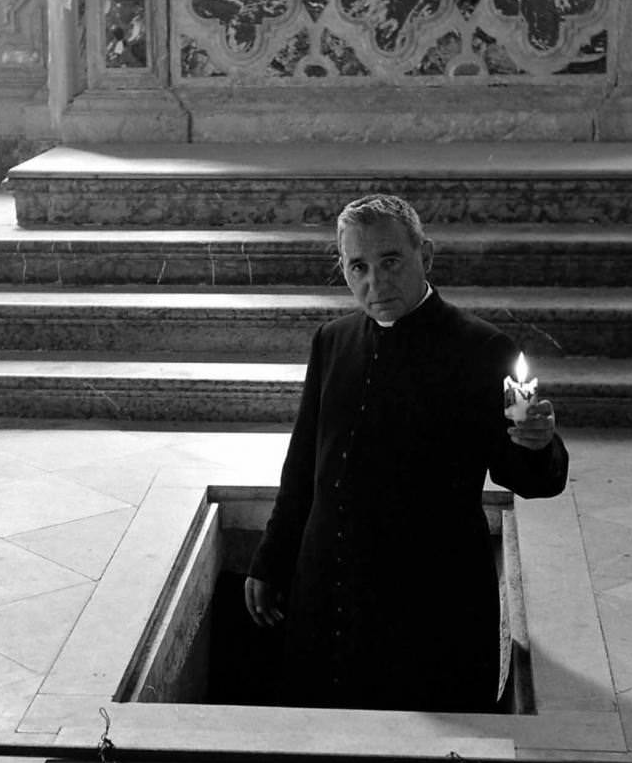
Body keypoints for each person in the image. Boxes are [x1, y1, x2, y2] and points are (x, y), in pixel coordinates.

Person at [244, 193, 569, 711]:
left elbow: (531, 478)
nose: (376, 282)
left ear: (427, 256)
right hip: (328, 590)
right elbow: (304, 464)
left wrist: (539, 443)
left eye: (391, 261)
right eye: (359, 267)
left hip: (428, 599)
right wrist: (270, 559)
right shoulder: (332, 341)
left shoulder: (481, 350)